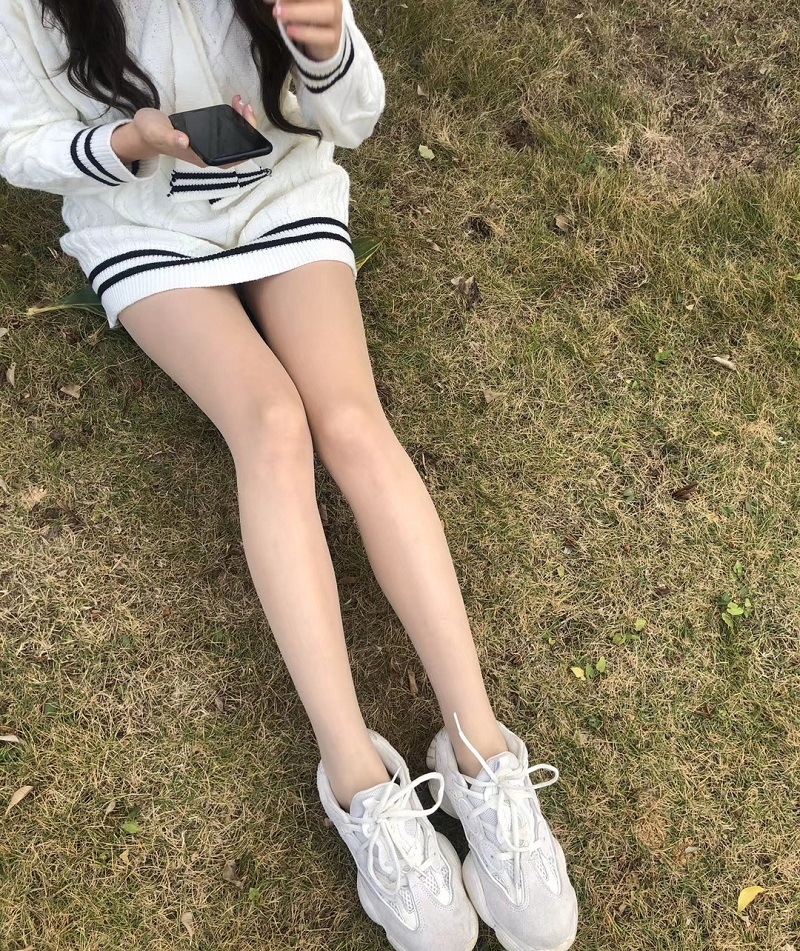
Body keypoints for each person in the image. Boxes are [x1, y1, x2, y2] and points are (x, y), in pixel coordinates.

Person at [0, 2, 578, 948]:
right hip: (139, 221)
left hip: (284, 193)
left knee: (351, 423)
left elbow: (354, 115)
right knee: (271, 426)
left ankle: (481, 750)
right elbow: (19, 139)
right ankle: (356, 776)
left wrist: (327, 47)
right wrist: (124, 143)